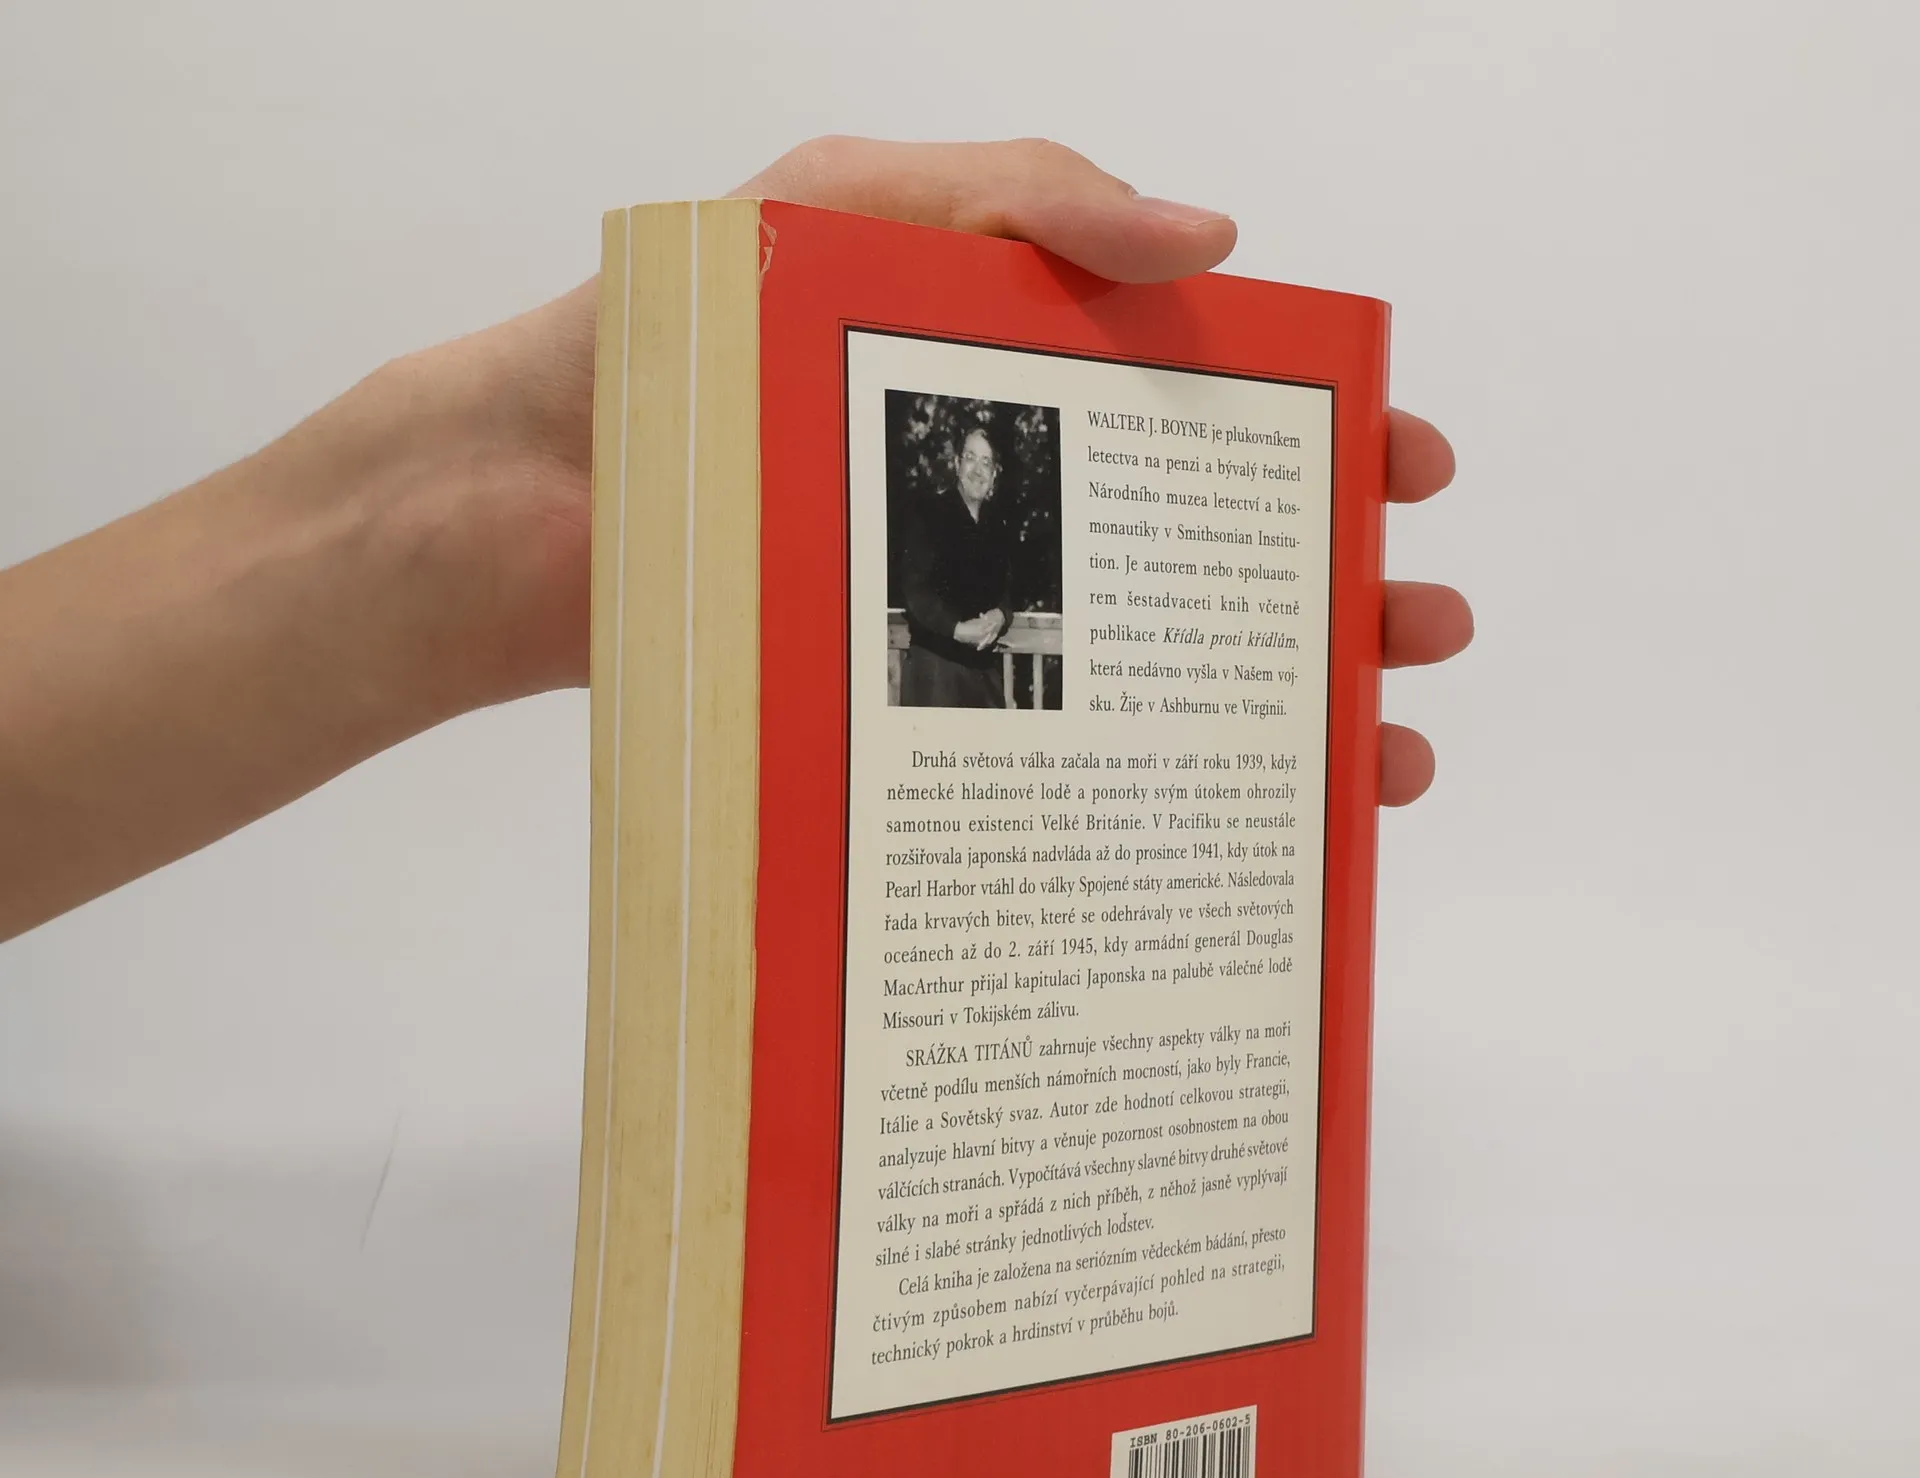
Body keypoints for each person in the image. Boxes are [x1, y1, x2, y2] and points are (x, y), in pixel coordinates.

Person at [0, 137, 1472, 944]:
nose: (976, 460)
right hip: (939, 677)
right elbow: (924, 610)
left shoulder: (1011, 518)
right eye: (966, 448)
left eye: (984, 452)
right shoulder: (942, 517)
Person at [899, 424, 1017, 708]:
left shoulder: (997, 526)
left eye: (986, 462)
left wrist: (1001, 616)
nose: (978, 470)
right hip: (936, 671)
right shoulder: (930, 514)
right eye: (970, 458)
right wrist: (957, 630)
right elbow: (914, 591)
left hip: (984, 673)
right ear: (956, 464)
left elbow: (1009, 590)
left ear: (994, 474)